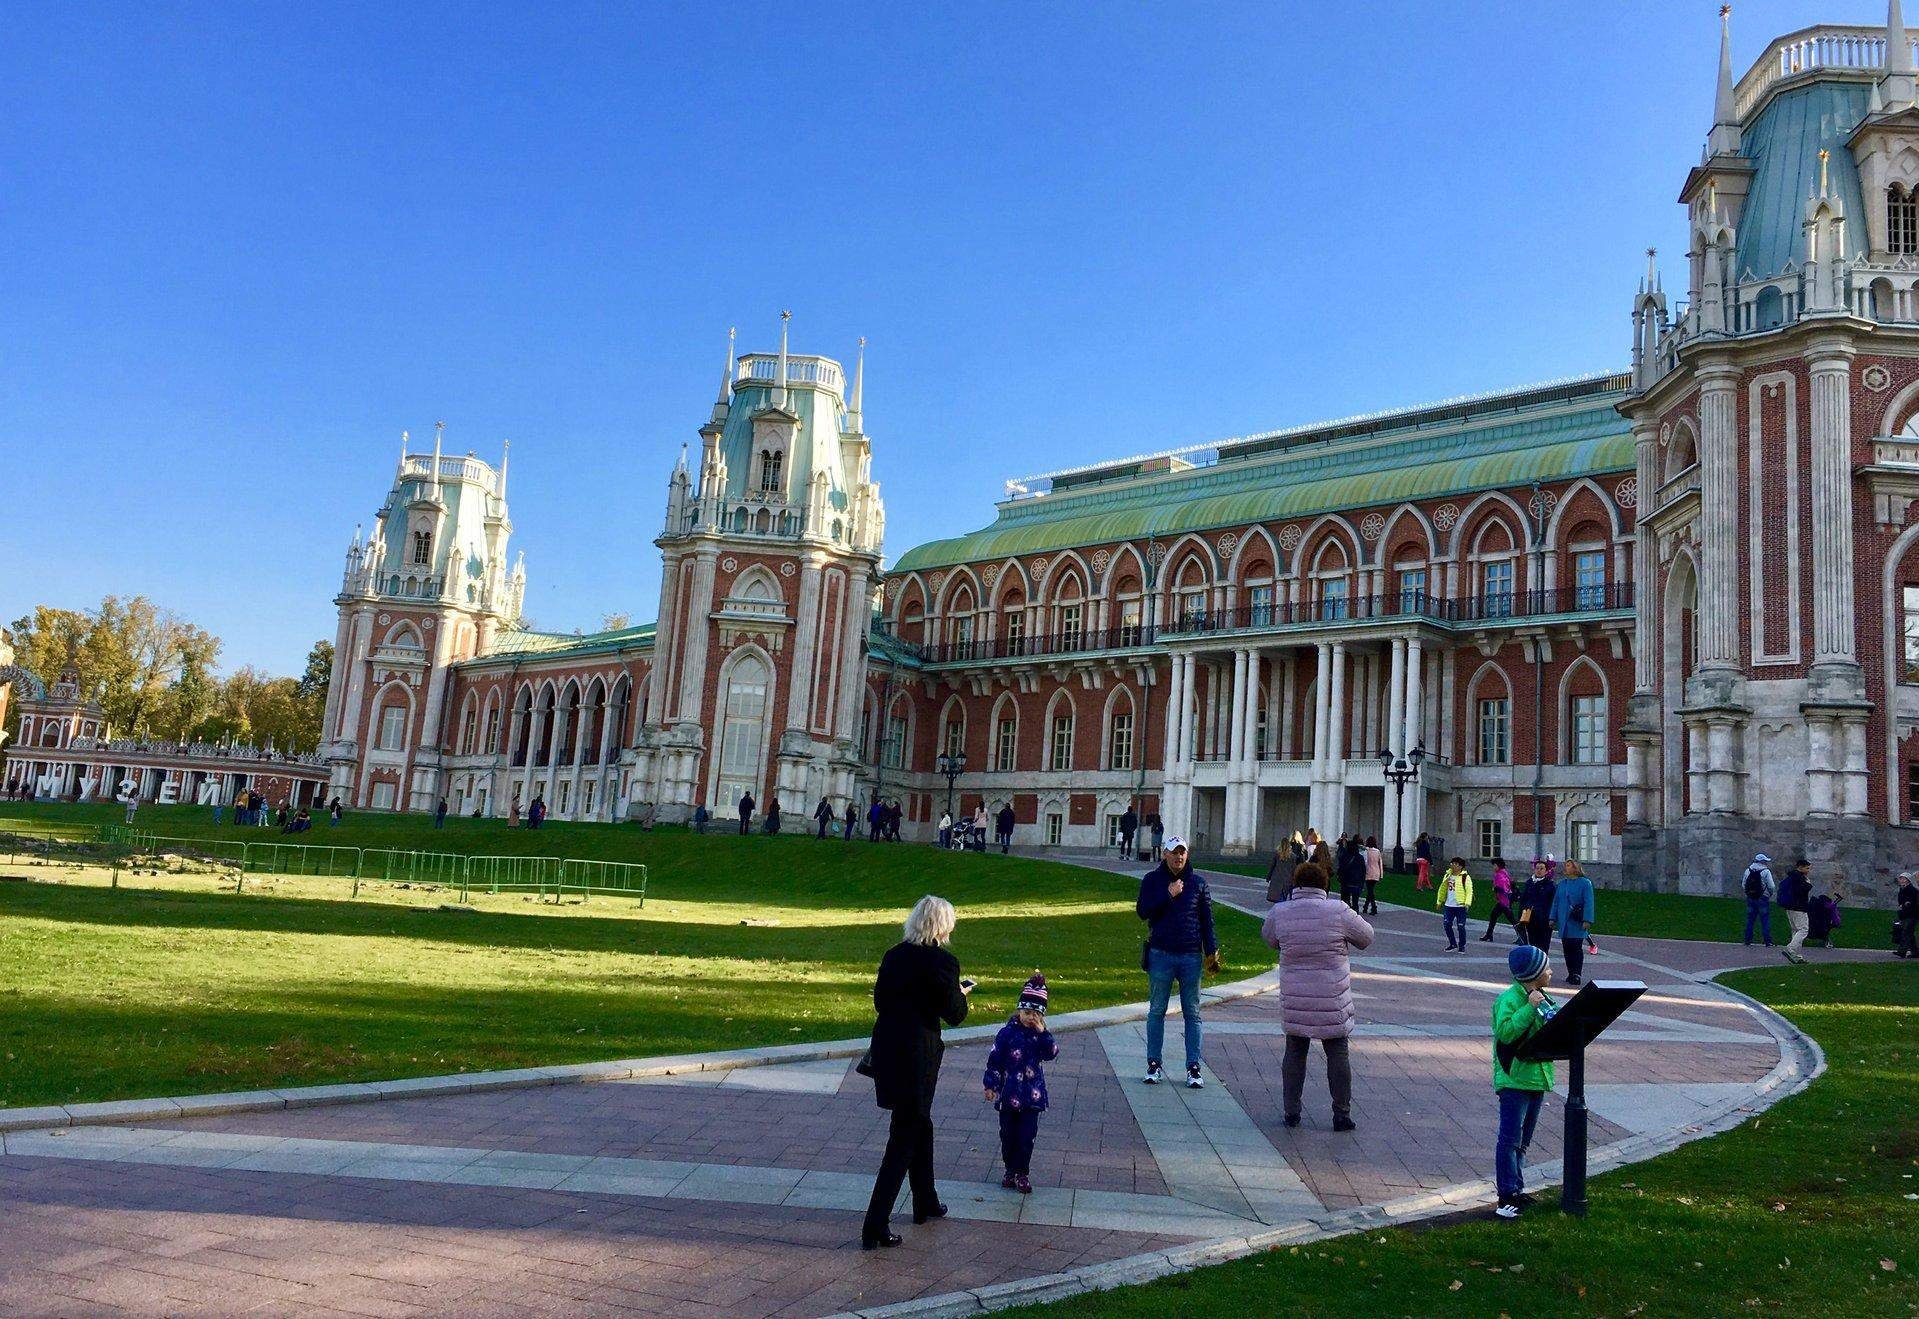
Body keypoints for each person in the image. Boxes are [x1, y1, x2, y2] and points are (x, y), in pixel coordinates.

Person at [861, 895, 972, 1249]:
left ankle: (926, 1199)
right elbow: (954, 1013)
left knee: (918, 1123)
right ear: (943, 926)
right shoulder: (942, 962)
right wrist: (959, 992)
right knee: (905, 1135)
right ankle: (875, 1224)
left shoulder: (894, 955)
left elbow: (880, 1000)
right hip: (917, 1053)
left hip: (887, 1047)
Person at [1260, 859, 1374, 1131]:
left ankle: (1291, 1112)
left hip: (1296, 995)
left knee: (1295, 1051)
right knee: (1337, 1052)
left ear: (1296, 884)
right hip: (1331, 996)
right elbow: (1367, 937)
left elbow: (1269, 939)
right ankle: (1341, 1113)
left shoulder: (1281, 912)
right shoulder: (1338, 911)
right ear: (1325, 884)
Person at [1136, 835, 1220, 1089]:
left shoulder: (1198, 883)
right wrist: (1168, 895)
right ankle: (1153, 1064)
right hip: (1161, 953)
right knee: (1157, 1010)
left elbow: (1207, 920)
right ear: (1165, 854)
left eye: (1182, 853)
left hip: (1190, 956)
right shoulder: (1152, 880)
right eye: (1174, 852)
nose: (1179, 857)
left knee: (1192, 1013)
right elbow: (1142, 911)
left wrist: (1211, 951)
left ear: (1187, 855)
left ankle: (1193, 1067)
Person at [1493, 944, 1558, 1219]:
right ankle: (1506, 1194)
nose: (1552, 972)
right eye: (1547, 968)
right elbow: (1506, 1033)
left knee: (1524, 1140)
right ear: (1533, 973)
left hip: (1535, 1079)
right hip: (1515, 1080)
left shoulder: (1543, 997)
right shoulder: (1509, 1000)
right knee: (1510, 1138)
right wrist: (1530, 1009)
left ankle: (1518, 1189)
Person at [981, 972, 1058, 1194]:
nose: (1030, 1018)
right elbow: (994, 1061)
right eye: (1026, 1012)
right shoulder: (1006, 1034)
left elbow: (1051, 1053)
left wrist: (1043, 1033)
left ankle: (1022, 1172)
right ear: (1018, 1010)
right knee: (1007, 1135)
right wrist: (991, 1085)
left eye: (1035, 1014)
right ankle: (1009, 1169)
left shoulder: (1040, 1036)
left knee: (1026, 1137)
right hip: (1009, 1095)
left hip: (1032, 1097)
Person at [1550, 859, 1596, 985]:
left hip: (1577, 921)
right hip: (1564, 921)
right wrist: (1552, 918)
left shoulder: (1585, 883)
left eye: (1569, 866)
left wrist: (1587, 919)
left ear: (1576, 868)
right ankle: (1570, 972)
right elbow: (1556, 902)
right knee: (1567, 948)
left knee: (1576, 947)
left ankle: (1576, 974)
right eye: (1565, 866)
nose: (1566, 868)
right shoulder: (1562, 884)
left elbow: (1589, 902)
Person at [1777, 858, 1813, 965]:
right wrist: (1808, 884)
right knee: (1803, 930)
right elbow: (1800, 891)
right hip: (1799, 908)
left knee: (1795, 931)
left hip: (1790, 907)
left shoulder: (1792, 876)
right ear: (1800, 867)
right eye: (1807, 868)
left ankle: (1796, 956)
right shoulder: (1799, 877)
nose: (1808, 871)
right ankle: (1791, 949)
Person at [1437, 856, 1474, 953]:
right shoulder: (1447, 875)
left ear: (1460, 866)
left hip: (1460, 906)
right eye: (1452, 863)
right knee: (1447, 925)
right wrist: (1439, 901)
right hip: (1449, 905)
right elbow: (1442, 889)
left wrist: (1467, 903)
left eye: (1456, 864)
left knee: (1461, 926)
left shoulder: (1465, 877)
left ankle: (1462, 945)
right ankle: (1452, 943)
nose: (1453, 865)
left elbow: (1469, 891)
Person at [1518, 859, 1556, 951]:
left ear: (1546, 871)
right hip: (1529, 918)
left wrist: (1552, 918)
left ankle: (1543, 963)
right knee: (1532, 944)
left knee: (1543, 946)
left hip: (1544, 920)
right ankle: (1534, 964)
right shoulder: (1529, 883)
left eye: (1541, 868)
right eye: (1537, 868)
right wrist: (1522, 917)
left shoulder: (1550, 885)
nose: (1539, 870)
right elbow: (1523, 901)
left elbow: (1553, 903)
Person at [1741, 853, 1776, 947]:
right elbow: (1771, 886)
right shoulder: (1766, 871)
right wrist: (1769, 894)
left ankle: (1747, 940)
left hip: (1751, 898)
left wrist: (1749, 893)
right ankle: (1768, 941)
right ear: (1762, 861)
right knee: (1765, 920)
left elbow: (1744, 884)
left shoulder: (1748, 870)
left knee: (1750, 920)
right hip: (1762, 898)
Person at [1481, 857, 1518, 942]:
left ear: (1498, 865)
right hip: (1505, 901)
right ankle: (1489, 935)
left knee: (1511, 919)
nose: (1493, 867)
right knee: (1495, 915)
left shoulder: (1500, 875)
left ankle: (1522, 937)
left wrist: (1496, 889)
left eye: (1494, 865)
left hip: (1504, 901)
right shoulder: (1504, 873)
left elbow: (1503, 888)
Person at [1265, 832, 1303, 904]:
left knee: (1278, 898)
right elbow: (1294, 869)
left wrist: (1268, 877)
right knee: (1284, 897)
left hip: (1277, 878)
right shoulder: (1293, 856)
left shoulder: (1277, 854)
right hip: (1287, 879)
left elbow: (1272, 866)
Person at [1337, 836, 1367, 911]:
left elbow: (1340, 868)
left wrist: (1340, 877)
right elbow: (1363, 871)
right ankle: (1355, 916)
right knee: (1355, 902)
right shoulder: (1360, 858)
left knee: (1344, 901)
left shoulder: (1344, 856)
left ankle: (1345, 914)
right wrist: (1362, 882)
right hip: (1356, 882)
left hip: (1346, 881)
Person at [1894, 872, 1919, 959]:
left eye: (1903, 878)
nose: (1901, 880)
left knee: (1906, 932)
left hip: (1912, 914)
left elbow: (1914, 902)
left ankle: (1902, 951)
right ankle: (1916, 952)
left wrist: (1907, 903)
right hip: (1905, 914)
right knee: (1910, 934)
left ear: (1908, 880)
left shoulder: (1912, 890)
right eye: (1900, 878)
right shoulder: (1902, 889)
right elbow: (1901, 900)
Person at [1362, 835, 1383, 916]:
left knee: (1370, 891)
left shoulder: (1366, 851)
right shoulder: (1377, 851)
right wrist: (1381, 875)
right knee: (1370, 890)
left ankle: (1373, 907)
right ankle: (1365, 906)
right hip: (1376, 873)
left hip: (1368, 872)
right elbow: (1380, 863)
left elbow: (1365, 862)